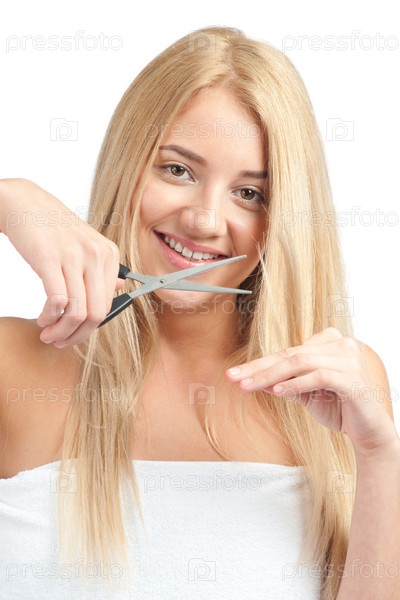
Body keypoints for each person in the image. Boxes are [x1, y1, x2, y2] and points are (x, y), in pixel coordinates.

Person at [0, 26, 398, 600]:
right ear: (127, 165)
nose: (205, 221)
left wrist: (381, 456)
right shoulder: (15, 365)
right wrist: (11, 198)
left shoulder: (335, 387)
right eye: (178, 170)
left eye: (250, 194)